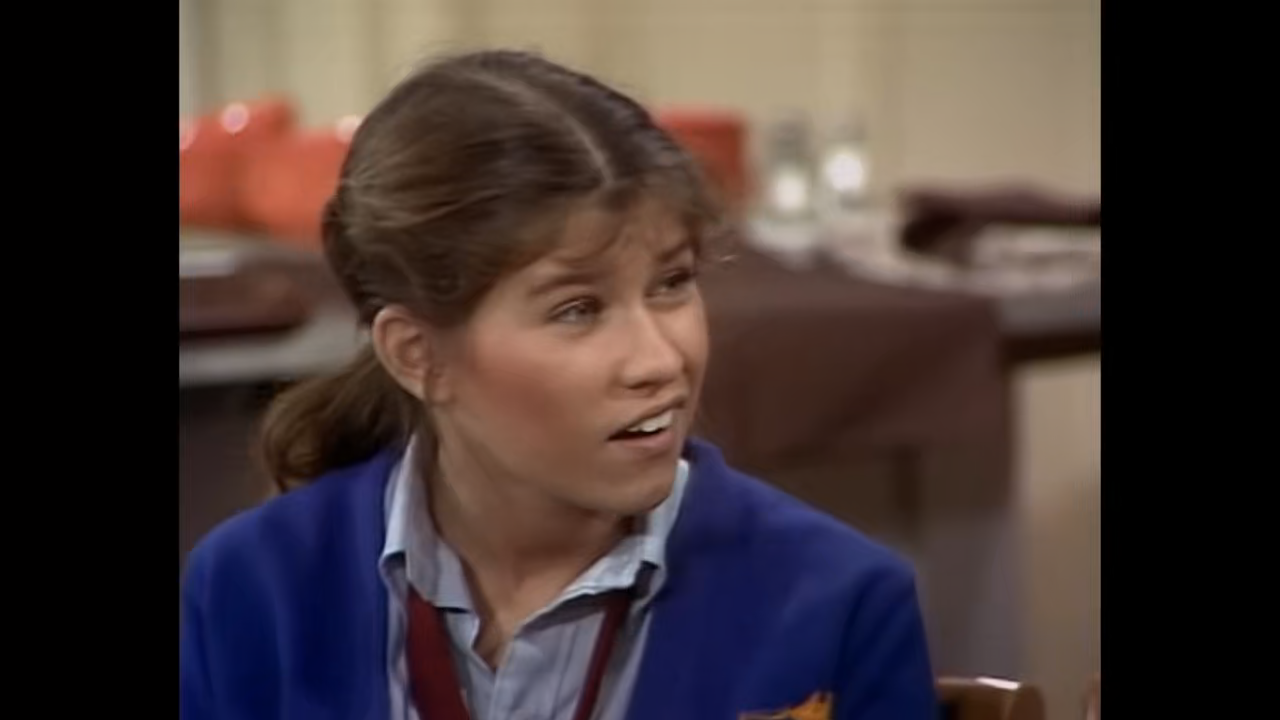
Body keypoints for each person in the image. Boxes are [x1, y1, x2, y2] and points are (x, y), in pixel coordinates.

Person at [179, 49, 938, 720]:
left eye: (672, 283)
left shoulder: (837, 604)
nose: (659, 360)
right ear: (417, 356)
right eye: (578, 309)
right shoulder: (254, 587)